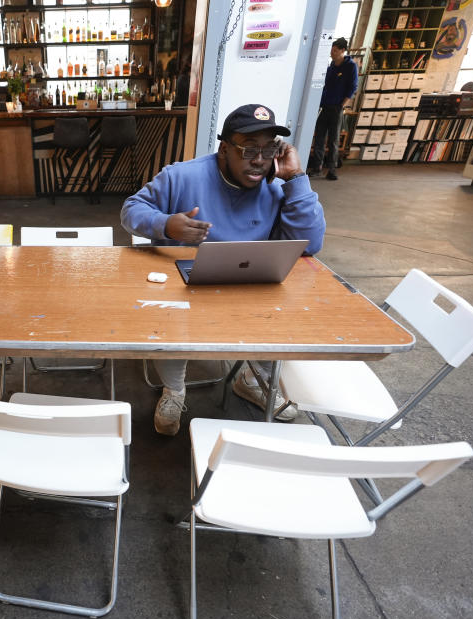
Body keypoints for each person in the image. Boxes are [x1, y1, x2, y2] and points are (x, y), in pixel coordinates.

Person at [121, 104, 327, 435]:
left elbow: (310, 245)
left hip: (248, 285)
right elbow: (131, 210)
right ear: (224, 149)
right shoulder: (182, 176)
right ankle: (174, 390)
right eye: (248, 149)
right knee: (168, 315)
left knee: (291, 305)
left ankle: (249, 380)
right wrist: (165, 225)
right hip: (184, 289)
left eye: (269, 149)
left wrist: (298, 179)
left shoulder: (278, 186)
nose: (259, 159)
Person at [308, 37, 358, 181]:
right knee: (319, 139)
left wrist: (342, 104)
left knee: (334, 140)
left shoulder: (350, 66)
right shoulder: (331, 67)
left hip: (336, 108)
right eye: (331, 50)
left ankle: (332, 169)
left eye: (335, 50)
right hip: (323, 107)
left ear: (343, 51)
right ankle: (317, 168)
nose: (332, 52)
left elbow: (353, 86)